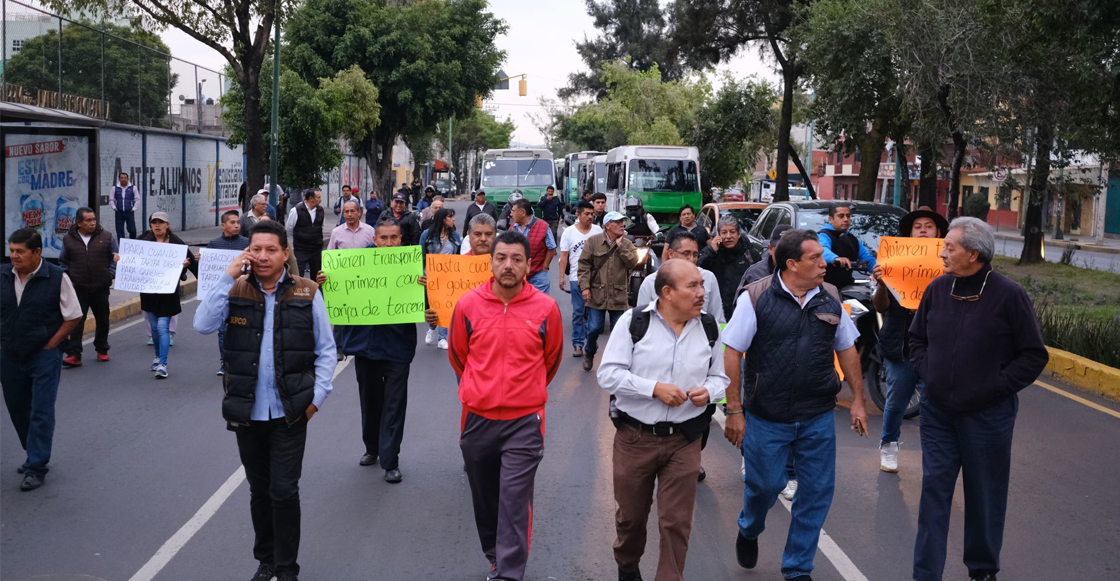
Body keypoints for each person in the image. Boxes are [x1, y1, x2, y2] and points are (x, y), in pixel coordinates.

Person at [721, 228, 868, 581]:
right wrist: (735, 410)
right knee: (765, 486)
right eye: (815, 258)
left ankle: (798, 567)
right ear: (791, 264)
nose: (824, 263)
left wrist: (859, 402)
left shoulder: (830, 297)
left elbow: (847, 349)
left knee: (816, 493)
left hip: (817, 415)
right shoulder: (755, 297)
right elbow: (732, 352)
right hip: (766, 415)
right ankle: (749, 527)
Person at [194, 219, 335, 581]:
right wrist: (226, 277)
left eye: (271, 249)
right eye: (255, 249)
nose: (262, 256)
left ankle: (287, 568)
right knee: (259, 491)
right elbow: (202, 324)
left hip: (291, 411)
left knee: (284, 490)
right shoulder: (235, 290)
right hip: (247, 411)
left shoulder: (307, 292)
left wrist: (316, 399)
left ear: (285, 254)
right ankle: (267, 560)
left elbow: (326, 350)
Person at [910, 217, 1048, 581]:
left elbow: (1033, 355)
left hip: (988, 416)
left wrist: (996, 386)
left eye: (949, 247)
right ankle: (925, 573)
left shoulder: (1009, 295)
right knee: (934, 490)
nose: (942, 253)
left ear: (973, 254)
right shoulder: (937, 289)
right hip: (938, 414)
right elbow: (916, 340)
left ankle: (983, 569)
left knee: (985, 495)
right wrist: (929, 373)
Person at [598, 259, 730, 581]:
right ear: (667, 292)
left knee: (676, 522)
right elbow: (608, 374)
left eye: (702, 285)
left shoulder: (709, 327)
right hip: (635, 438)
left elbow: (719, 377)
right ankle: (627, 566)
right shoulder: (634, 322)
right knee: (630, 519)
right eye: (693, 286)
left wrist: (708, 391)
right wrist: (654, 389)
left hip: (685, 440)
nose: (702, 293)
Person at [449, 229, 563, 581]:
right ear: (491, 263)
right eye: (501, 258)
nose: (508, 265)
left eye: (516, 259)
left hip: (524, 421)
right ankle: (495, 556)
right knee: (485, 498)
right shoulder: (467, 305)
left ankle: (509, 573)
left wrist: (524, 392)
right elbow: (459, 356)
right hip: (477, 419)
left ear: (529, 266)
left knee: (514, 499)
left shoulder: (546, 308)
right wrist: (480, 388)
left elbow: (551, 360)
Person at [317, 218, 417, 483]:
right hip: (365, 346)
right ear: (375, 240)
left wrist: (426, 287)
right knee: (370, 402)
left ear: (400, 240)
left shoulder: (412, 266)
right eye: (383, 238)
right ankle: (372, 448)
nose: (388, 243)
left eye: (394, 238)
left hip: (398, 346)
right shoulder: (355, 264)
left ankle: (391, 461)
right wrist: (326, 283)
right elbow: (336, 299)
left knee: (394, 405)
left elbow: (428, 306)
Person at [2, 228, 83, 491]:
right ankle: (32, 453)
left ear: (37, 252)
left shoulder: (57, 277)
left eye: (20, 251)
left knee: (41, 410)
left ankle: (36, 466)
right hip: (9, 355)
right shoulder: (3, 276)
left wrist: (52, 344)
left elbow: (73, 315)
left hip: (44, 356)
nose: (14, 256)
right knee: (17, 408)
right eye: (11, 250)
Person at [870, 206, 947, 473]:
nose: (923, 230)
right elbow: (880, 307)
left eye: (929, 226)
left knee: (936, 405)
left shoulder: (948, 265)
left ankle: (936, 451)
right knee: (896, 403)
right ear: (909, 233)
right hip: (900, 347)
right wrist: (882, 284)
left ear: (938, 233)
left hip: (936, 350)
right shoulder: (893, 263)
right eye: (918, 226)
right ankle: (889, 446)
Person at [733, 223, 797, 499]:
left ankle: (790, 473)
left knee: (793, 418)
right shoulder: (755, 274)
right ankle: (750, 459)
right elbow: (739, 313)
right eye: (780, 248)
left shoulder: (806, 275)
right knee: (754, 412)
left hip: (793, 364)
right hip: (758, 361)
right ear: (770, 249)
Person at [138, 212, 198, 379]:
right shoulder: (143, 241)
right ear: (150, 225)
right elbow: (131, 260)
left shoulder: (177, 243)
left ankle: (163, 364)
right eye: (154, 222)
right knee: (154, 328)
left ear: (167, 225)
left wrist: (186, 267)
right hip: (149, 292)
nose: (157, 225)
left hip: (168, 293)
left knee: (163, 327)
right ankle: (157, 356)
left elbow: (193, 265)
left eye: (161, 222)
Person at [578, 211, 640, 372]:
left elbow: (633, 263)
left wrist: (620, 246)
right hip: (596, 294)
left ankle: (615, 363)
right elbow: (584, 266)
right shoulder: (593, 241)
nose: (622, 225)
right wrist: (585, 288)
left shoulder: (626, 243)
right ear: (607, 225)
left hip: (618, 296)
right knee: (593, 328)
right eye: (617, 222)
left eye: (622, 222)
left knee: (619, 333)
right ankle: (590, 351)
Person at [59, 207, 118, 367]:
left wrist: (110, 274)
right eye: (88, 220)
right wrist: (68, 280)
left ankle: (102, 349)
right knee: (77, 321)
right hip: (78, 288)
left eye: (94, 219)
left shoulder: (106, 237)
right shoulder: (68, 240)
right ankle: (74, 354)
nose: (93, 223)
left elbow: (114, 258)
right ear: (79, 223)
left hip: (101, 287)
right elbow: (63, 262)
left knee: (103, 319)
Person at [208, 210, 251, 375]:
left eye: (238, 222)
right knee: (222, 331)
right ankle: (224, 363)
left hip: (243, 294)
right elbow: (206, 274)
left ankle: (242, 361)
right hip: (223, 296)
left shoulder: (247, 244)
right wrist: (201, 261)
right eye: (232, 222)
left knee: (244, 329)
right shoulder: (213, 245)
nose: (236, 225)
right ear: (223, 225)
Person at [558, 200, 603, 358]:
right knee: (578, 312)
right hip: (576, 278)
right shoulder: (569, 232)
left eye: (592, 214)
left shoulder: (598, 230)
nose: (590, 217)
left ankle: (590, 341)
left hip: (596, 279)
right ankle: (577, 343)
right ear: (578, 214)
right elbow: (564, 257)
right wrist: (561, 276)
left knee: (593, 313)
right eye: (586, 214)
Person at [419, 207, 462, 349]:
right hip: (431, 277)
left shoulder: (455, 236)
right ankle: (432, 327)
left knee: (445, 305)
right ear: (443, 219)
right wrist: (422, 274)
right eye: (450, 217)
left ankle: (442, 338)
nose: (453, 219)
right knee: (432, 306)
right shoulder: (427, 235)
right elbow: (421, 255)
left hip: (448, 277)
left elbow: (458, 257)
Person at [698, 216, 754, 321]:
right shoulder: (712, 252)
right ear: (718, 235)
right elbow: (697, 270)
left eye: (732, 232)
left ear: (739, 234)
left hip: (743, 310)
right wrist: (711, 251)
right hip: (717, 311)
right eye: (724, 232)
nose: (728, 236)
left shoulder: (749, 253)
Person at [818, 203, 876, 289]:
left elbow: (868, 259)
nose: (846, 219)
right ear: (830, 219)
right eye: (841, 216)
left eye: (848, 216)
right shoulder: (823, 235)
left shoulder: (852, 239)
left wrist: (880, 269)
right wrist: (835, 258)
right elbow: (823, 250)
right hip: (826, 287)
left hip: (848, 286)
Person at [509, 198, 556, 294]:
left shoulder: (543, 226)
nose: (511, 214)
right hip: (517, 275)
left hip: (538, 275)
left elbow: (551, 247)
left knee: (540, 301)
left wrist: (545, 266)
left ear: (522, 212)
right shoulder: (513, 227)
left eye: (513, 211)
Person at [285, 189, 325, 279]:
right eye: (318, 197)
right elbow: (289, 228)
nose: (320, 200)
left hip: (316, 249)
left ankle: (316, 288)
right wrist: (298, 238)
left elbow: (321, 225)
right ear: (311, 198)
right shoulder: (296, 210)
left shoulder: (320, 210)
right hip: (301, 249)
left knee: (317, 275)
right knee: (298, 274)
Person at [109, 171, 140, 240]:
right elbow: (111, 199)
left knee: (132, 230)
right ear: (119, 179)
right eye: (122, 178)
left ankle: (132, 242)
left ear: (127, 179)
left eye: (125, 178)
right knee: (119, 231)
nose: (123, 179)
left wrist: (134, 208)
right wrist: (114, 208)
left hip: (129, 212)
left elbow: (137, 199)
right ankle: (121, 245)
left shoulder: (133, 188)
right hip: (119, 212)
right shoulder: (114, 188)